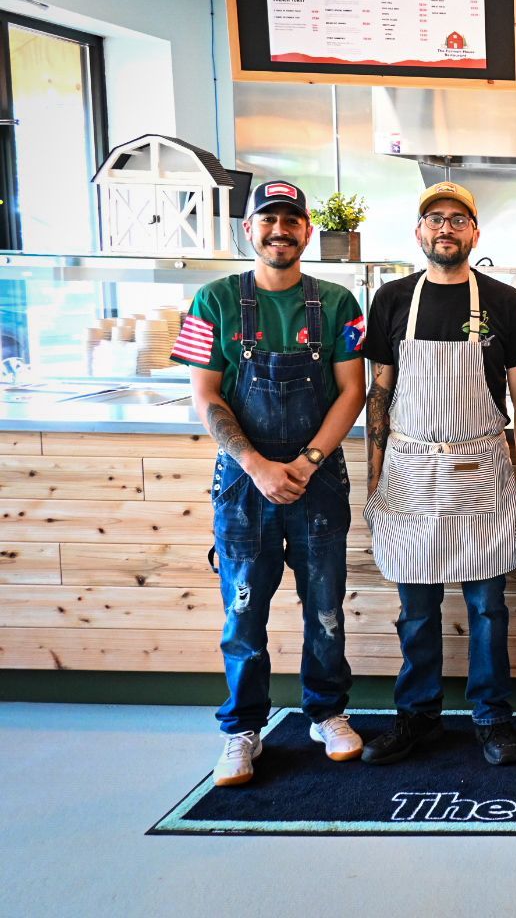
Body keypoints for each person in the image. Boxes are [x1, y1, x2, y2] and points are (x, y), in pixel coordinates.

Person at [172, 180, 367, 786]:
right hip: (242, 484)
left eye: (290, 220)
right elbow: (205, 396)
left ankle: (327, 713)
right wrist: (257, 466)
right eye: (267, 219)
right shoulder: (211, 300)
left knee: (326, 608)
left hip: (318, 481)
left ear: (307, 230)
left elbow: (353, 391)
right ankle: (242, 729)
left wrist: (307, 462)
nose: (279, 230)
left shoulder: (339, 302)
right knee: (243, 612)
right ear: (248, 230)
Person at [359, 181, 516, 768]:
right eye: (435, 218)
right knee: (416, 609)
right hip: (409, 470)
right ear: (419, 231)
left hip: (481, 465)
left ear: (474, 233)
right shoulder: (392, 298)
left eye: (458, 220)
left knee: (488, 608)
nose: (446, 228)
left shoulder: (504, 302)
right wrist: (374, 478)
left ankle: (492, 717)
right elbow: (379, 394)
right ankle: (417, 714)